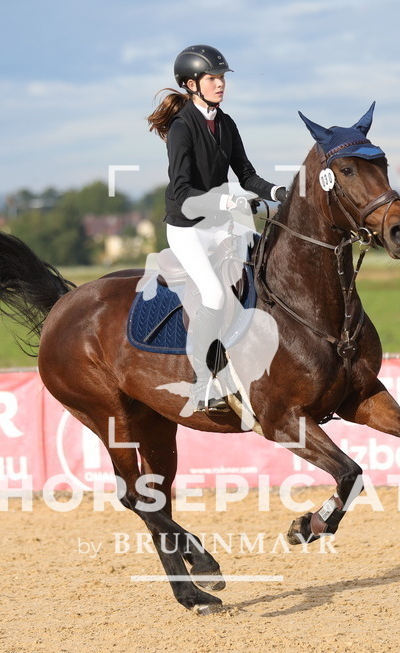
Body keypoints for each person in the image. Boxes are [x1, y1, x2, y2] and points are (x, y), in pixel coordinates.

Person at [147, 44, 288, 414]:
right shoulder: (182, 128)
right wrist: (228, 202)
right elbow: (182, 192)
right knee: (212, 294)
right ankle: (203, 381)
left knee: (267, 268)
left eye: (222, 78)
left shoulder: (226, 123)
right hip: (188, 228)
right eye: (213, 78)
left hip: (222, 225)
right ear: (191, 84)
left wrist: (277, 192)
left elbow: (247, 175)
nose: (221, 84)